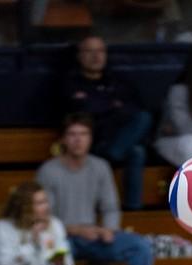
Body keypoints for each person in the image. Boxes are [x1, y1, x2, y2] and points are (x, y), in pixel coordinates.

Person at [37, 116, 155, 265]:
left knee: (140, 246)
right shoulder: (48, 171)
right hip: (63, 236)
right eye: (72, 134)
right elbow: (45, 216)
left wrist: (108, 230)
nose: (78, 140)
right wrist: (76, 230)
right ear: (63, 139)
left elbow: (110, 207)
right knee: (55, 252)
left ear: (91, 138)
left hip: (95, 236)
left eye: (83, 134)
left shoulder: (100, 167)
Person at [64, 33, 152, 212]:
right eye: (90, 51)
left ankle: (132, 210)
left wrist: (103, 106)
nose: (96, 56)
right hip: (93, 141)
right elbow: (84, 112)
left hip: (118, 137)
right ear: (80, 55)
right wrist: (113, 107)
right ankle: (114, 155)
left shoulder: (117, 80)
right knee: (135, 149)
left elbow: (135, 109)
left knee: (142, 130)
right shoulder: (70, 82)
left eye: (100, 51)